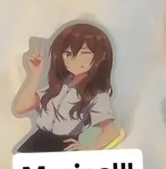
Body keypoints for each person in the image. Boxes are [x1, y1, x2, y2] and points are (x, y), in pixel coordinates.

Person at [12, 22, 121, 153]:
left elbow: (112, 132)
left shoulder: (97, 95)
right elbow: (21, 108)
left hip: (61, 146)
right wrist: (35, 74)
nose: (74, 59)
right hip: (37, 140)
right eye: (68, 53)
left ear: (102, 56)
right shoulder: (59, 84)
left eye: (84, 53)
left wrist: (89, 149)